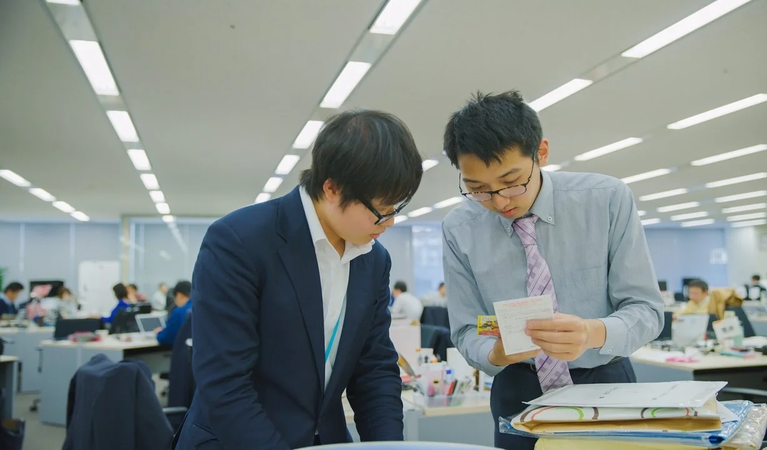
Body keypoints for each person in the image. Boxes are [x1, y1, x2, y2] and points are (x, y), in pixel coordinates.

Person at [175, 109, 423, 449]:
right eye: (381, 209)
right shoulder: (240, 241)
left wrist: (387, 447)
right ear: (333, 189)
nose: (390, 222)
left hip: (328, 438)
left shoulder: (373, 259)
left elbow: (374, 369)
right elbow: (225, 383)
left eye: (397, 207)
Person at [441, 91, 664, 450]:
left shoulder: (606, 199)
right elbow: (467, 329)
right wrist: (495, 354)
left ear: (541, 153)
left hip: (606, 383)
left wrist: (593, 332)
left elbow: (648, 311)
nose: (500, 201)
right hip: (517, 389)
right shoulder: (459, 228)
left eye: (512, 181)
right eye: (479, 189)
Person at [155, 281, 191, 347]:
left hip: (184, 353)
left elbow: (166, 338)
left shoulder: (179, 312)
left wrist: (158, 333)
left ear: (179, 295)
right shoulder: (202, 308)